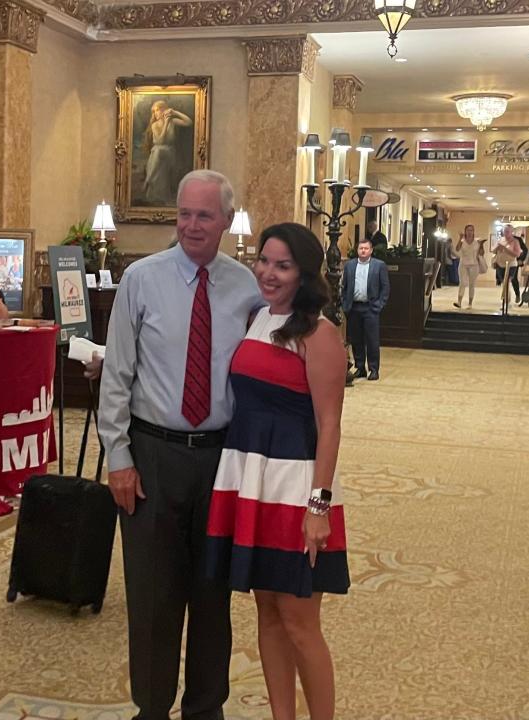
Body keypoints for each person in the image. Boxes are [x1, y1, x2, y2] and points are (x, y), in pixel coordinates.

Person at [98, 169, 264, 720]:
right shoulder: (141, 279)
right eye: (184, 214)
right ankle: (151, 707)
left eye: (204, 216)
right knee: (152, 595)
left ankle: (205, 708)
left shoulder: (247, 287)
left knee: (212, 593)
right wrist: (117, 458)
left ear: (225, 221)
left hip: (221, 459)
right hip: (151, 456)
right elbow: (116, 376)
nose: (192, 226)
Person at [205, 222, 348, 720]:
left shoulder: (321, 334)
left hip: (295, 486)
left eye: (282, 265)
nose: (267, 272)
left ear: (304, 274)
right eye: (263, 260)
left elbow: (329, 425)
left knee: (300, 620)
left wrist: (318, 506)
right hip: (250, 478)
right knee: (266, 609)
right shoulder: (257, 318)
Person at [341, 237, 390, 381]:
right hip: (354, 307)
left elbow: (385, 288)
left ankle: (374, 369)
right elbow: (344, 286)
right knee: (356, 339)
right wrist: (345, 304)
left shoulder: (379, 265)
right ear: (357, 250)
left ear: (371, 250)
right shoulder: (349, 265)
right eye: (360, 248)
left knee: (372, 340)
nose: (363, 251)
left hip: (371, 308)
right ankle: (360, 367)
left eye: (366, 248)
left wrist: (379, 305)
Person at [142, 99, 192, 206]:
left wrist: (175, 113)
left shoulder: (172, 121)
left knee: (160, 152)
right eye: (154, 111)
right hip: (158, 152)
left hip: (169, 152)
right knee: (158, 151)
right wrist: (165, 125)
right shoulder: (155, 125)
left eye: (158, 110)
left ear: (164, 110)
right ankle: (150, 179)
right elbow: (160, 141)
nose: (156, 113)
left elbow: (189, 122)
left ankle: (148, 178)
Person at [453, 224, 486, 309]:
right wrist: (460, 238)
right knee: (462, 282)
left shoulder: (477, 242)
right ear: (465, 232)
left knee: (472, 284)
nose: (470, 232)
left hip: (474, 265)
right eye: (468, 230)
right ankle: (459, 302)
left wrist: (481, 244)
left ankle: (470, 303)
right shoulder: (462, 241)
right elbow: (457, 249)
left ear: (473, 231)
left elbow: (482, 253)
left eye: (471, 230)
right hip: (463, 264)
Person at [494, 224, 524, 306]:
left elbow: (517, 254)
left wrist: (506, 249)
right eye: (505, 231)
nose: (506, 233)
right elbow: (493, 251)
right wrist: (497, 248)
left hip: (511, 265)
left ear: (512, 232)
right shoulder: (501, 240)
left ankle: (506, 302)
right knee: (504, 283)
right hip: (500, 265)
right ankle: (506, 300)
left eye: (508, 231)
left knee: (507, 283)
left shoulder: (515, 241)